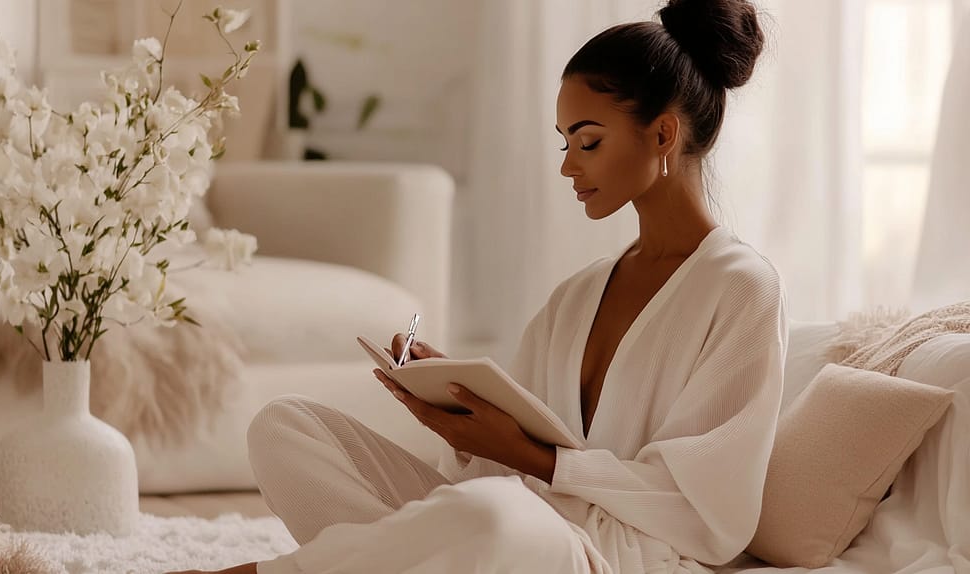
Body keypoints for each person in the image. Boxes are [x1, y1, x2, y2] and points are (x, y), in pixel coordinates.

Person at [171, 0, 787, 572]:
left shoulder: (742, 290)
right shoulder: (578, 294)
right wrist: (460, 416)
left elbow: (711, 516)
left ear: (662, 135)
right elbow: (493, 470)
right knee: (284, 427)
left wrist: (538, 461)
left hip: (616, 557)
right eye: (565, 142)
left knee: (489, 519)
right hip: (513, 522)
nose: (569, 165)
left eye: (589, 141)